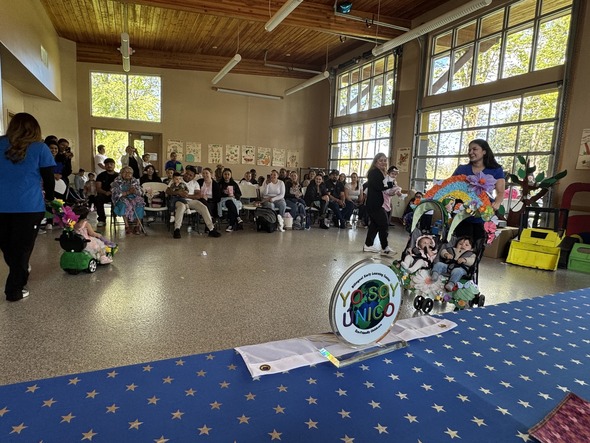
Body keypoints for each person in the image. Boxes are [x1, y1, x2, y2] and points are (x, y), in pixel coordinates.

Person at [0, 113, 55, 301]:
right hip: (29, 206)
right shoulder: (41, 148)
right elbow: (49, 179)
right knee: (22, 248)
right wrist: (51, 199)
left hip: (3, 206)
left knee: (8, 246)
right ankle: (16, 287)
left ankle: (17, 276)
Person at [452, 139, 505, 240]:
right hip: (463, 213)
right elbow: (450, 186)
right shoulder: (461, 169)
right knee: (462, 242)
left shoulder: (496, 170)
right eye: (469, 150)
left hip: (484, 213)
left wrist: (497, 202)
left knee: (479, 243)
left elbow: (501, 191)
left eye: (474, 149)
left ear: (484, 151)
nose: (471, 152)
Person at [167, 165, 221, 239]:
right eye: (187, 173)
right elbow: (168, 191)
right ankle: (177, 229)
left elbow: (198, 195)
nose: (188, 176)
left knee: (203, 207)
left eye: (190, 175)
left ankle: (211, 229)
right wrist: (178, 193)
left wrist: (186, 195)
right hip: (178, 200)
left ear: (194, 177)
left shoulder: (195, 183)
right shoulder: (177, 179)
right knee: (181, 206)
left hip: (191, 201)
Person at [363, 153, 396, 256]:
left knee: (375, 225)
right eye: (381, 160)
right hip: (374, 203)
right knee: (384, 223)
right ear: (376, 161)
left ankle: (368, 245)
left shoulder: (381, 172)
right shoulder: (374, 172)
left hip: (377, 203)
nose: (383, 162)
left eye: (385, 160)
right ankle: (385, 247)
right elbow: (379, 186)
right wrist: (391, 184)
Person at [111, 166, 145, 234]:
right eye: (125, 172)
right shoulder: (117, 180)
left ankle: (137, 226)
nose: (127, 174)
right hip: (121, 198)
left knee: (140, 204)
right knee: (124, 204)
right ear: (121, 173)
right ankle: (127, 226)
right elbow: (115, 193)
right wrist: (127, 192)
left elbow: (140, 192)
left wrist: (135, 191)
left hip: (134, 197)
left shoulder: (134, 180)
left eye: (130, 172)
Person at [95, 158, 119, 227]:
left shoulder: (118, 176)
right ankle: (101, 219)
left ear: (114, 165)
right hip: (104, 194)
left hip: (116, 195)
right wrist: (105, 192)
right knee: (98, 198)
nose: (109, 166)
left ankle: (125, 217)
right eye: (107, 164)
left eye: (111, 164)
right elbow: (98, 188)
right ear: (105, 166)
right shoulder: (100, 176)